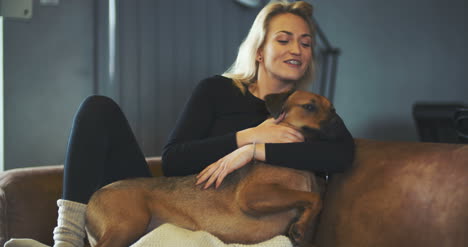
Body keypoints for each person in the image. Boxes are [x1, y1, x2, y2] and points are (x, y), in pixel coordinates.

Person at [6, 1, 354, 247]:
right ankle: (66, 241)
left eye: (306, 43)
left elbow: (341, 155)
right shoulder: (217, 90)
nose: (297, 48)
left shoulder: (308, 112)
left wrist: (255, 151)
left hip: (221, 218)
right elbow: (173, 161)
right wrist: (244, 137)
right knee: (97, 108)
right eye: (284, 39)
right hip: (173, 196)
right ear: (260, 50)